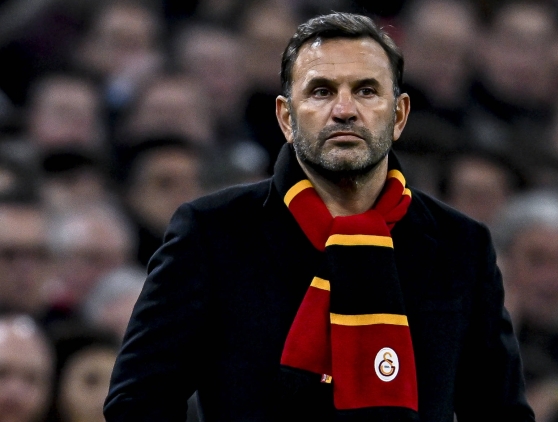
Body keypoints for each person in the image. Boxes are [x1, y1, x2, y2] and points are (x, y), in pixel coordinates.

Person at [104, 12, 535, 421]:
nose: (344, 110)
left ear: (399, 115)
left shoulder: (461, 245)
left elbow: (499, 412)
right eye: (321, 91)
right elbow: (138, 402)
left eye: (366, 91)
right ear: (286, 118)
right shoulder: (213, 233)